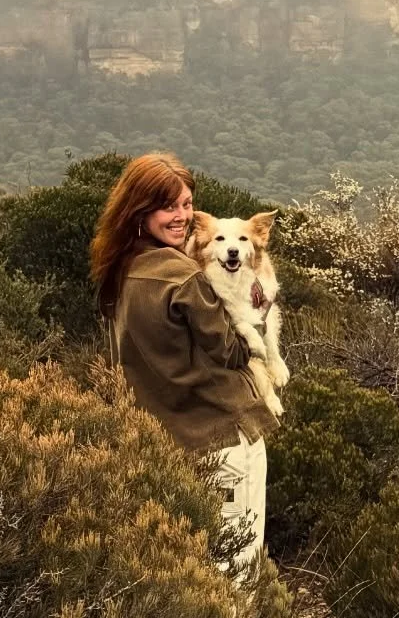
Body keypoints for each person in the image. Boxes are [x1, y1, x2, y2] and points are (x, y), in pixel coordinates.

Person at [90, 152, 276, 580]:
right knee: (235, 571)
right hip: (222, 437)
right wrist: (259, 301)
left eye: (187, 204)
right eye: (167, 206)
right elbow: (232, 351)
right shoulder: (181, 275)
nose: (181, 217)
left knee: (186, 572)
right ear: (139, 210)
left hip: (163, 444)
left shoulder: (121, 269)